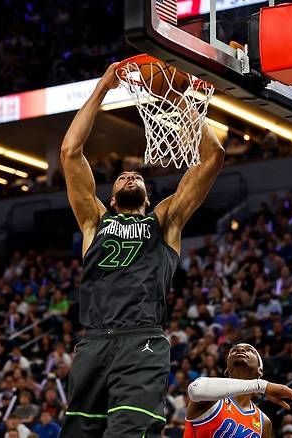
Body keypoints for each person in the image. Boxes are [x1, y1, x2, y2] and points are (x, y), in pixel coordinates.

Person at [58, 62, 226, 438]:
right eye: (122, 176)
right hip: (94, 341)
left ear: (148, 196)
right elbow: (70, 150)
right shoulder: (93, 221)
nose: (131, 175)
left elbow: (214, 157)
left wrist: (177, 100)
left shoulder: (165, 221)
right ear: (113, 196)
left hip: (142, 341)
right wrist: (103, 86)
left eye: (138, 176)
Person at [183, 343, 292, 438]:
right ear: (227, 370)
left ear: (260, 370)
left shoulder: (264, 422)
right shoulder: (212, 398)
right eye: (234, 350)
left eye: (249, 350)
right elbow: (195, 390)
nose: (240, 350)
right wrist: (262, 386)